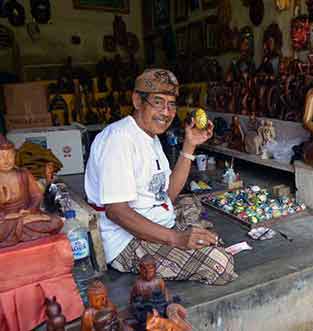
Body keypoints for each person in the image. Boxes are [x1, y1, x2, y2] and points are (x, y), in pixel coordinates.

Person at [85, 69, 237, 285]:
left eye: (172, 104)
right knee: (220, 264)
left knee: (192, 203)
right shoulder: (119, 139)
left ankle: (184, 234)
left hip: (157, 223)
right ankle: (184, 236)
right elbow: (116, 212)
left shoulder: (151, 137)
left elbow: (166, 196)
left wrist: (189, 145)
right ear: (137, 101)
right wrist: (176, 238)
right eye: (158, 102)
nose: (166, 112)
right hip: (128, 241)